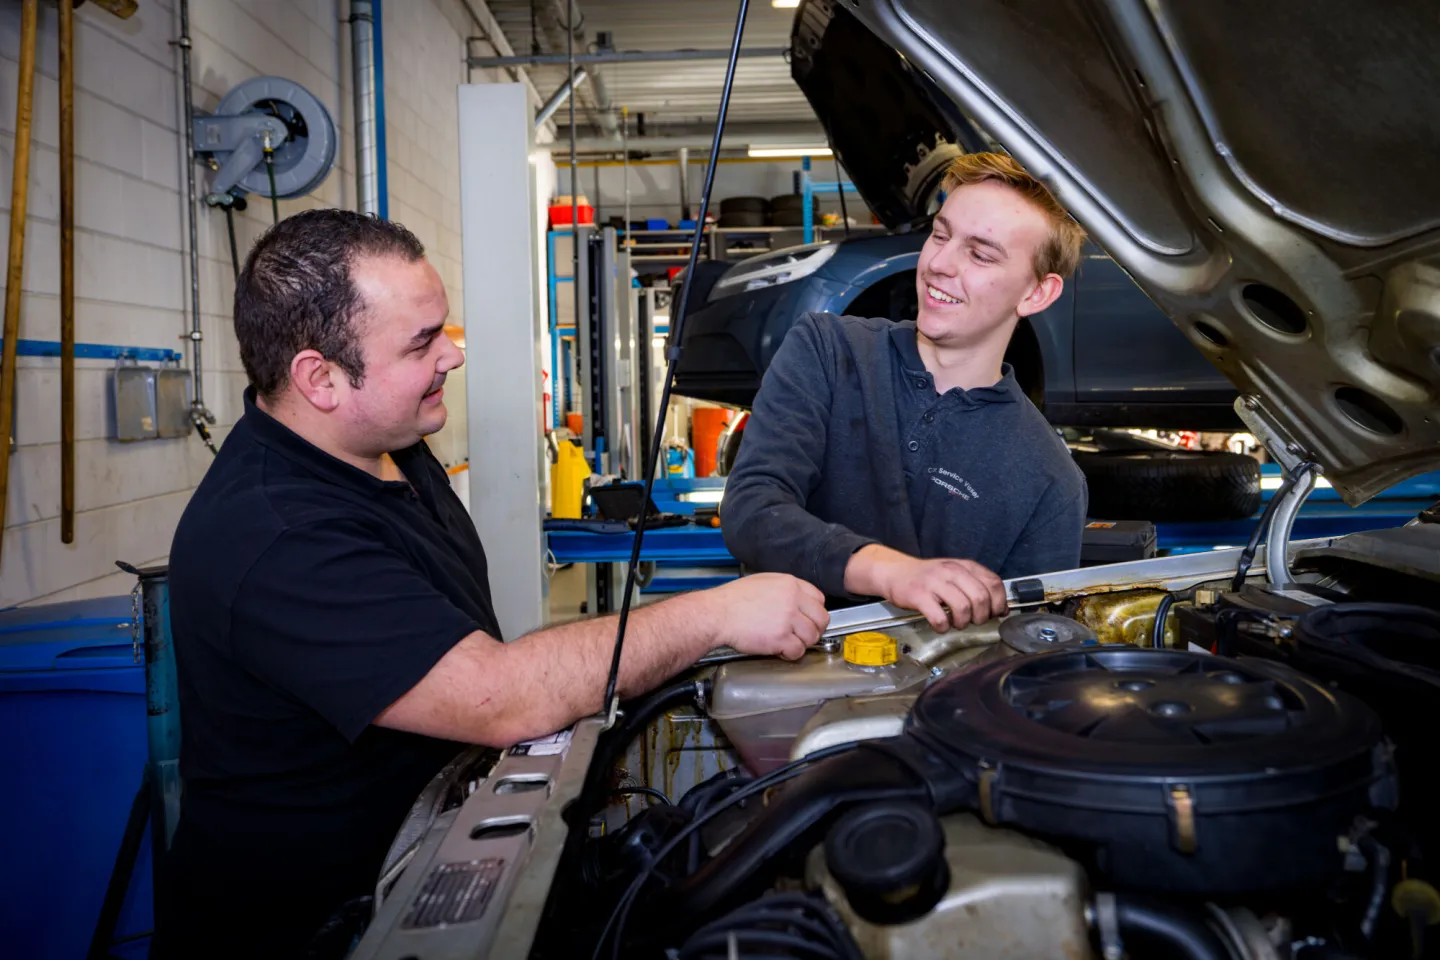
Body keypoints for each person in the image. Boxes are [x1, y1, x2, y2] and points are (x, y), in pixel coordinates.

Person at [153, 210, 829, 959]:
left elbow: (460, 645)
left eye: (444, 328)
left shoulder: (392, 447)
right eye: (420, 342)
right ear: (320, 378)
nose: (451, 356)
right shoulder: (275, 533)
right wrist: (716, 614)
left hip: (413, 872)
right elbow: (500, 696)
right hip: (312, 933)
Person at [722, 152, 1088, 633]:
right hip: (780, 682)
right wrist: (893, 573)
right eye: (940, 234)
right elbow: (752, 509)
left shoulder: (1049, 481)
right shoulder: (829, 350)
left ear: (1036, 293)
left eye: (979, 254)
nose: (940, 263)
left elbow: (1028, 654)